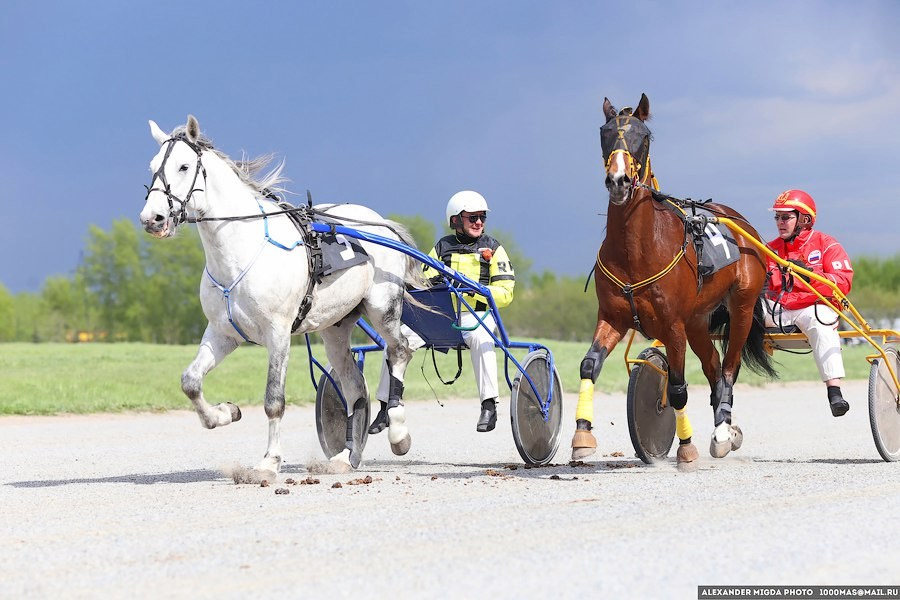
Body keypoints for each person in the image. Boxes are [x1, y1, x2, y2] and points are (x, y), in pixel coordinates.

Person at [369, 190, 516, 433]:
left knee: (481, 339)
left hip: (477, 316)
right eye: (472, 217)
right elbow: (423, 280)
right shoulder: (442, 247)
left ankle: (489, 405)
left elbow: (506, 292)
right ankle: (387, 406)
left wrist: (473, 290)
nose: (479, 222)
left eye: (482, 217)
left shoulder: (494, 248)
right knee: (395, 341)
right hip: (440, 318)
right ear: (456, 220)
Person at [764, 189, 854, 417]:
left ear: (804, 219)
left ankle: (834, 393)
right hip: (779, 310)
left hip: (812, 307)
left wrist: (811, 275)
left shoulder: (827, 244)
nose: (780, 222)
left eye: (786, 217)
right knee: (742, 310)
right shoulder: (770, 249)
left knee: (820, 319)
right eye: (777, 217)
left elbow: (843, 282)